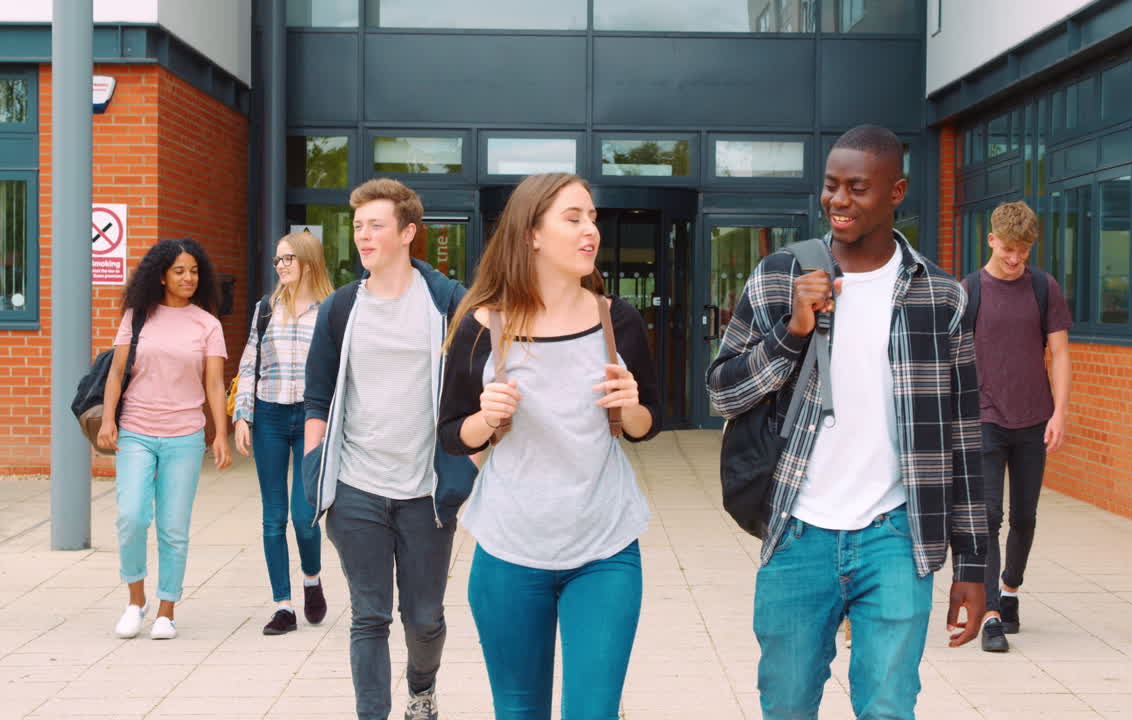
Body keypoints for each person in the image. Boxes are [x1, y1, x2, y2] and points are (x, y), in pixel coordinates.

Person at [706, 125, 987, 720]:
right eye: (831, 185)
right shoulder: (779, 276)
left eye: (857, 188)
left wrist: (972, 563)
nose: (838, 200)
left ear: (896, 192)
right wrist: (792, 331)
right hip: (797, 530)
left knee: (888, 708)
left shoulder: (941, 297)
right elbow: (722, 393)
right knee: (786, 705)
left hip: (896, 535)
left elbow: (964, 436)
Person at [437, 172, 660, 720]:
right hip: (509, 552)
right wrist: (485, 419)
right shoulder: (482, 326)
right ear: (531, 234)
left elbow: (647, 424)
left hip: (605, 549)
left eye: (592, 219)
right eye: (573, 218)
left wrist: (630, 405)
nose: (591, 231)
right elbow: (450, 434)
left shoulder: (618, 320)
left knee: (594, 711)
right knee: (519, 711)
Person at [303, 178, 476, 720]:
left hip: (426, 491)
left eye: (375, 225)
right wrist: (314, 466)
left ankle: (421, 690)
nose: (363, 235)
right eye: (358, 226)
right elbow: (317, 397)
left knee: (424, 619)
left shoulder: (448, 303)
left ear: (407, 233)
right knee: (369, 616)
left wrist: (467, 463)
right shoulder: (341, 308)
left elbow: (481, 383)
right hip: (356, 488)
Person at [99, 238, 231, 641]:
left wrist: (220, 433)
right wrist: (108, 420)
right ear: (161, 276)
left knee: (173, 527)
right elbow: (116, 372)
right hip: (136, 431)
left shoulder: (207, 324)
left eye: (194, 271)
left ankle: (166, 611)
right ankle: (135, 602)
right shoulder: (137, 316)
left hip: (185, 435)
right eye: (179, 271)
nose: (188, 278)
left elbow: (214, 383)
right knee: (131, 517)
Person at [967, 201, 1072, 653]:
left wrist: (1060, 412)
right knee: (988, 517)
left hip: (1034, 419)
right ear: (991, 240)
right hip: (985, 418)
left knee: (1024, 517)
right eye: (1008, 249)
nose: (1015, 259)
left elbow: (1060, 353)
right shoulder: (970, 290)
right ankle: (990, 614)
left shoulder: (1044, 288)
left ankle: (1010, 589)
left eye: (1023, 251)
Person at [232, 230, 335, 636]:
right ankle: (283, 606)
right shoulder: (266, 309)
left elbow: (341, 370)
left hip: (312, 418)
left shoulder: (330, 311)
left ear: (308, 261)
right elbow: (249, 363)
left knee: (304, 517)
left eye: (288, 258)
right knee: (273, 517)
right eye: (277, 260)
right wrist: (242, 415)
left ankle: (311, 578)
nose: (281, 266)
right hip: (270, 416)